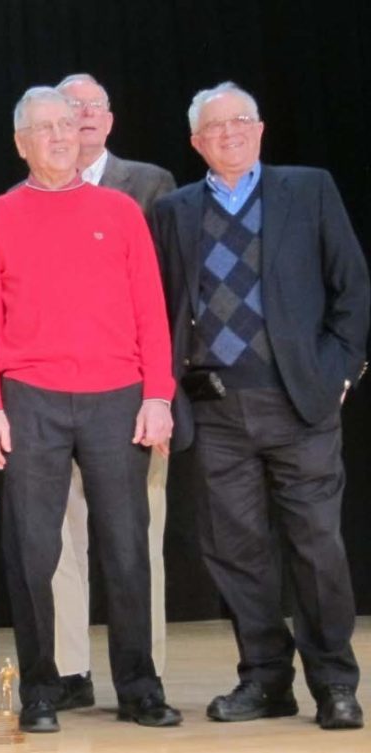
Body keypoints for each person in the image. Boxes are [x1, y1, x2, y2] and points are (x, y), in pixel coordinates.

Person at [150, 81, 368, 731]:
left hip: (300, 401)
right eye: (214, 128)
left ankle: (334, 682)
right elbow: (159, 309)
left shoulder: (310, 188)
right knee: (235, 552)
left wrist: (337, 374)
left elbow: (352, 289)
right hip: (215, 407)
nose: (230, 134)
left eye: (240, 121)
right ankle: (266, 680)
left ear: (261, 128)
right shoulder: (174, 211)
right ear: (195, 142)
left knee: (317, 547)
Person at [0, 86, 181, 733]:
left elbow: (151, 308)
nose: (60, 136)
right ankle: (39, 685)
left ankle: (139, 685)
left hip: (117, 397)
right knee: (31, 547)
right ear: (20, 142)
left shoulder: (119, 211)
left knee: (125, 546)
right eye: (44, 127)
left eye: (67, 124)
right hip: (29, 398)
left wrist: (160, 394)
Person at [47, 72, 177, 709]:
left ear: (109, 118)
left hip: (131, 391)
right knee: (64, 535)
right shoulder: (30, 194)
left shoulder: (150, 185)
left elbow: (168, 298)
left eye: (92, 106)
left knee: (136, 535)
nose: (81, 117)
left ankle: (142, 672)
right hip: (54, 394)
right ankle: (70, 671)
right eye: (69, 109)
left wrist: (161, 390)